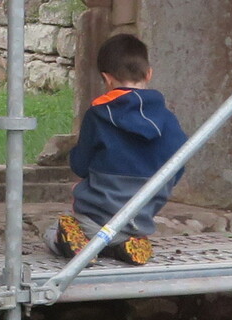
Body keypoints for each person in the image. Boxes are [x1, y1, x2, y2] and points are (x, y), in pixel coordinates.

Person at [54, 31, 187, 269]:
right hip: (141, 217)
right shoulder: (168, 119)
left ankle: (84, 245)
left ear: (106, 79)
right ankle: (125, 243)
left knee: (54, 231)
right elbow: (177, 168)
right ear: (149, 74)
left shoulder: (98, 115)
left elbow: (80, 166)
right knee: (121, 231)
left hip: (95, 217)